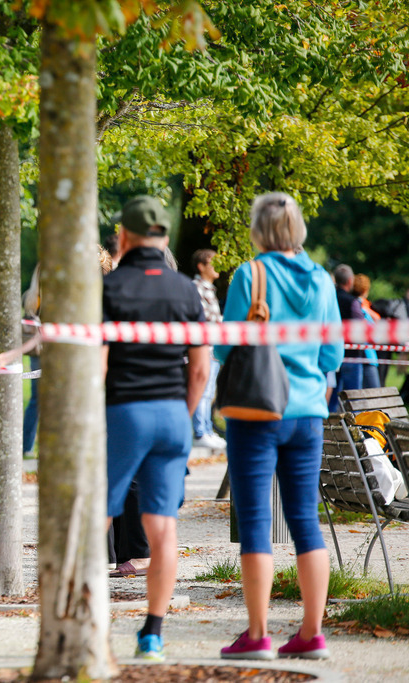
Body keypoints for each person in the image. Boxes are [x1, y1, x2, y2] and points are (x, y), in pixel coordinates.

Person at [217, 192, 342, 661]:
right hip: (308, 412)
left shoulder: (250, 275)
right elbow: (331, 355)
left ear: (258, 230)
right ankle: (312, 633)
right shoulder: (323, 281)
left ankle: (258, 635)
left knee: (254, 522)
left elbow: (224, 349)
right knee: (305, 522)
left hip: (257, 413)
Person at [102, 196, 210, 662]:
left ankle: (81, 615)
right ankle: (152, 632)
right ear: (164, 238)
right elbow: (201, 369)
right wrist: (182, 415)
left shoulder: (109, 288)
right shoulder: (187, 290)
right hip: (171, 414)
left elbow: (99, 364)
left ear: (123, 236)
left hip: (125, 410)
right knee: (164, 526)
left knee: (97, 516)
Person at [191, 249, 227, 452]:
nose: (216, 267)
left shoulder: (208, 288)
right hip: (204, 347)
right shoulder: (197, 288)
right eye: (211, 263)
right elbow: (203, 318)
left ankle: (205, 428)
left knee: (209, 392)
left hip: (212, 347)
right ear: (201, 266)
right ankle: (200, 432)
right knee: (204, 391)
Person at [328, 264, 364, 412]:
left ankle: (329, 432)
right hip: (352, 356)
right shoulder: (352, 302)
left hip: (332, 354)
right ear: (350, 281)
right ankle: (354, 432)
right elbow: (362, 328)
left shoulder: (329, 299)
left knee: (331, 400)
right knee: (353, 401)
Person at [22, 266, 41, 457]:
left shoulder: (31, 297)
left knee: (36, 401)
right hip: (46, 350)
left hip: (36, 353)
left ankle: (26, 445)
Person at [352, 273, 381, 390]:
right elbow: (376, 321)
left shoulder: (356, 305)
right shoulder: (361, 306)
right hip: (367, 356)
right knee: (375, 391)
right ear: (365, 290)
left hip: (359, 355)